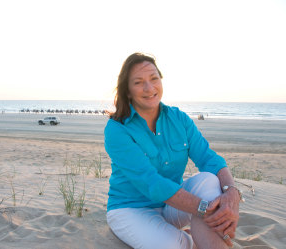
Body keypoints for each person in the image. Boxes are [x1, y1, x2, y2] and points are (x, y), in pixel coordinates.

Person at [104, 53, 242, 249]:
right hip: (130, 209)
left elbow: (209, 159)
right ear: (127, 91)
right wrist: (206, 210)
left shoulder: (180, 119)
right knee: (172, 244)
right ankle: (190, 239)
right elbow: (151, 182)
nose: (149, 88)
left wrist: (231, 194)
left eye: (154, 79)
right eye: (138, 82)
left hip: (171, 208)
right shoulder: (117, 129)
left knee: (209, 180)